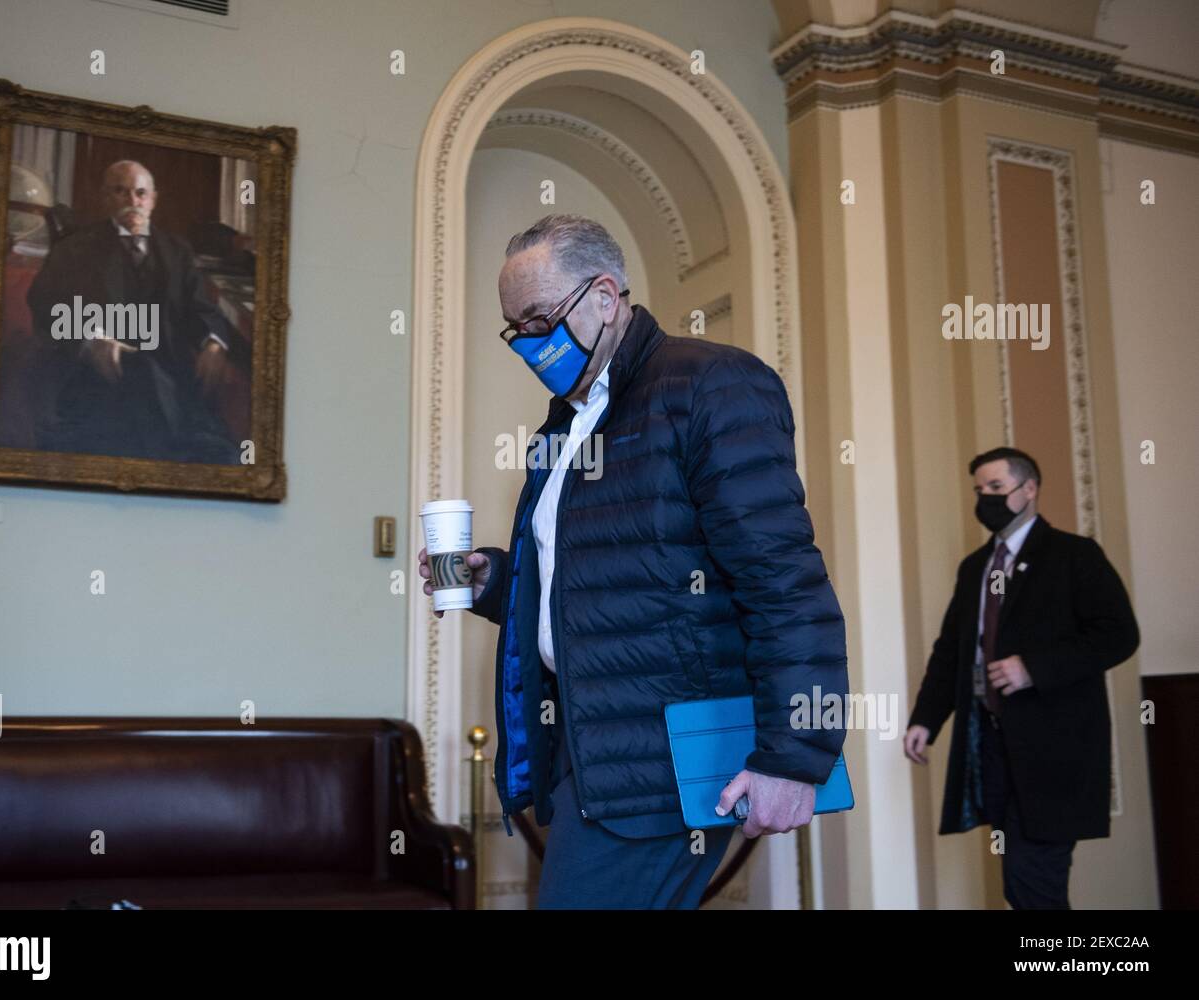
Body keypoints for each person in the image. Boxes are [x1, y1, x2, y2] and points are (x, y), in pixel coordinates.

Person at [418, 214, 847, 908]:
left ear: (606, 296)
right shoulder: (568, 421)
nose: (529, 341)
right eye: (515, 328)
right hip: (589, 749)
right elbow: (606, 584)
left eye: (540, 319)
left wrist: (797, 757)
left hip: (664, 760)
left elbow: (784, 581)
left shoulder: (711, 386)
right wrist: (495, 579)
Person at [904, 447, 1139, 909]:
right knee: (1021, 883)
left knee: (1034, 882)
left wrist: (1034, 667)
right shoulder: (975, 567)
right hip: (992, 749)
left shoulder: (1074, 555)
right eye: (979, 490)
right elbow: (952, 650)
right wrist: (925, 721)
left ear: (1028, 489)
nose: (985, 499)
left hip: (1055, 752)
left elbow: (1118, 635)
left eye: (996, 488)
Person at [26, 160, 239, 464]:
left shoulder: (176, 250)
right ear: (105, 198)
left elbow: (200, 307)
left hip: (171, 374)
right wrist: (91, 339)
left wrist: (214, 342)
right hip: (98, 379)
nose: (132, 202)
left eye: (141, 193)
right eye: (121, 192)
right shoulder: (75, 248)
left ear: (153, 200)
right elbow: (44, 304)